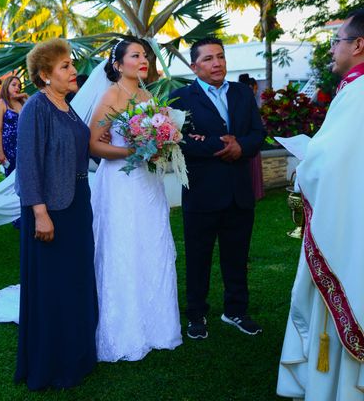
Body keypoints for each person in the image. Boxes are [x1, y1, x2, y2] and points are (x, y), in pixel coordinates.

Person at [277, 9, 364, 400]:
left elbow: (328, 163)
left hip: (349, 223)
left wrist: (305, 161)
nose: (332, 49)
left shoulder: (358, 93)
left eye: (337, 41)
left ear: (358, 45)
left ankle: (339, 389)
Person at [88, 38, 182, 361]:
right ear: (118, 65)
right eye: (135, 55)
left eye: (145, 55)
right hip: (120, 183)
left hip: (147, 183)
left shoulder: (147, 95)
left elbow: (157, 138)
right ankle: (124, 333)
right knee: (124, 247)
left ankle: (158, 326)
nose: (143, 59)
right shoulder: (111, 95)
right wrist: (132, 150)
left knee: (151, 245)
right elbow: (93, 145)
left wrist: (162, 144)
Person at [14, 38, 98, 390]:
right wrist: (40, 213)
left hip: (77, 202)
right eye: (65, 66)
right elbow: (28, 164)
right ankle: (53, 364)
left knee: (76, 282)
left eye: (71, 64)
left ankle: (78, 356)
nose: (73, 70)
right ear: (45, 75)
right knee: (54, 288)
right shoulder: (37, 107)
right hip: (50, 209)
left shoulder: (68, 106)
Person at [170, 38, 266, 339]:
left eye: (221, 57)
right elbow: (179, 142)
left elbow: (257, 133)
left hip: (239, 191)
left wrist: (242, 146)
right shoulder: (180, 98)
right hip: (202, 193)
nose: (217, 63)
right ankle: (196, 315)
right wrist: (221, 145)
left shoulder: (241, 93)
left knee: (237, 257)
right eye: (209, 59)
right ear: (194, 66)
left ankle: (236, 310)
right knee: (198, 258)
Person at [0, 76, 28, 176]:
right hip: (9, 147)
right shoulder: (0, 103)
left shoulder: (22, 102)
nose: (17, 88)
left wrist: (26, 96)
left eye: (19, 86)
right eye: (13, 85)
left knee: (27, 176)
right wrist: (0, 152)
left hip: (24, 145)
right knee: (12, 177)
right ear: (6, 86)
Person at [238, 74, 265, 201]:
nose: (257, 90)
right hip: (250, 138)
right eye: (256, 87)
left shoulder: (239, 98)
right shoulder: (248, 99)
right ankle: (254, 192)